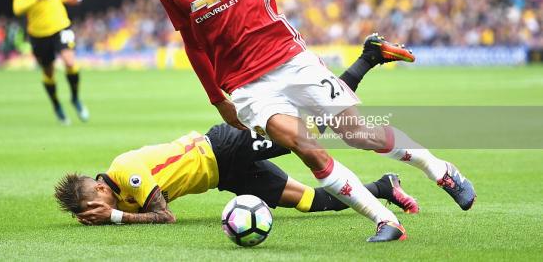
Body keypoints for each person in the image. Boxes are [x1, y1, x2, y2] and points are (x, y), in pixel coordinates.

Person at [142, 0, 475, 242]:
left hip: (289, 59)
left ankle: (440, 169)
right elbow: (192, 43)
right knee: (306, 146)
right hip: (246, 87)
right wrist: (216, 97)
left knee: (359, 134)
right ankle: (385, 221)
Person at [55, 52, 419, 225]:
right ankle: (385, 187)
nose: (98, 208)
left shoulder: (125, 170)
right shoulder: (119, 199)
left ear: (100, 191)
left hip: (223, 146)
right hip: (224, 176)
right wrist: (113, 213)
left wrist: (116, 218)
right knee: (312, 202)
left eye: (94, 203)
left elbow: (164, 217)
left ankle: (368, 57)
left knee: (312, 129)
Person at [12, 0, 88, 125]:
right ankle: (56, 105)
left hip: (61, 25)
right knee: (49, 71)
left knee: (70, 62)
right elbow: (18, 8)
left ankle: (75, 98)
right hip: (39, 33)